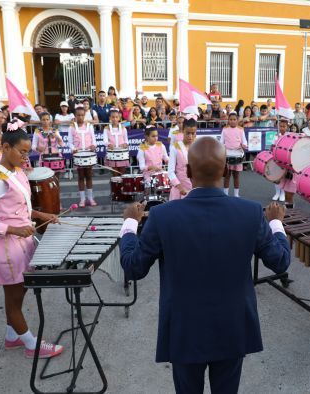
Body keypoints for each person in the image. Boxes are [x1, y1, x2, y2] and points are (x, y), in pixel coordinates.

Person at [119, 136, 291, 394]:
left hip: (184, 328)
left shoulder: (162, 215)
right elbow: (281, 262)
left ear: (187, 172)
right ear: (224, 171)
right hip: (232, 326)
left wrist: (130, 224)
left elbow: (133, 267)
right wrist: (276, 223)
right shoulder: (251, 212)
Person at [0, 126, 62, 358]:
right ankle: (32, 345)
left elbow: (20, 209)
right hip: (8, 247)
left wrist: (42, 216)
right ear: (6, 147)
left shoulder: (17, 171)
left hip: (22, 241)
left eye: (28, 152)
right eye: (21, 152)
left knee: (19, 295)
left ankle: (12, 338)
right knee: (13, 301)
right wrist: (12, 229)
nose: (25, 157)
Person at [69, 105, 97, 207]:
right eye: (78, 115)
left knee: (89, 176)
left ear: (84, 115)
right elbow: (70, 142)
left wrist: (94, 145)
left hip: (88, 154)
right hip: (79, 155)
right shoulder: (72, 127)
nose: (80, 117)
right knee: (81, 177)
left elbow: (93, 139)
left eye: (82, 115)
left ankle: (90, 198)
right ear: (75, 116)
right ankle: (82, 199)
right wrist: (73, 149)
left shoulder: (89, 126)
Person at [168, 117, 197, 200]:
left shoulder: (198, 146)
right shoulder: (175, 147)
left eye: (193, 133)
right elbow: (170, 172)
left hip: (195, 190)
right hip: (179, 190)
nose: (190, 136)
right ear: (182, 131)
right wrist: (180, 187)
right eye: (187, 133)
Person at [221, 112, 248, 197]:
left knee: (236, 175)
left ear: (237, 120)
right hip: (227, 154)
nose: (232, 121)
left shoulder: (240, 129)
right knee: (227, 175)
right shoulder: (224, 129)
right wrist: (222, 148)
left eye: (234, 119)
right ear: (228, 120)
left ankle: (236, 194)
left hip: (237, 154)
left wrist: (244, 145)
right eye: (231, 119)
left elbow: (244, 141)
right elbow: (221, 141)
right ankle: (225, 194)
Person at [32, 112, 64, 178]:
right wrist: (38, 149)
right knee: (46, 178)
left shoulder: (54, 130)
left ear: (50, 120)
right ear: (40, 121)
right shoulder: (37, 131)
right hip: (44, 157)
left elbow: (62, 144)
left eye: (47, 119)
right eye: (43, 120)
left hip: (56, 156)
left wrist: (57, 136)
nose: (46, 121)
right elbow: (33, 146)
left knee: (56, 178)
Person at [137, 126, 169, 190]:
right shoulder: (142, 148)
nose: (156, 138)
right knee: (150, 188)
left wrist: (170, 162)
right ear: (147, 136)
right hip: (148, 176)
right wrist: (151, 167)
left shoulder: (161, 145)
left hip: (160, 174)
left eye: (157, 136)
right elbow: (142, 167)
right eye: (153, 136)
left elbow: (166, 158)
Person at [105, 108, 130, 175]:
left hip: (121, 153)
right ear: (110, 118)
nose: (115, 119)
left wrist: (125, 144)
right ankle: (115, 184)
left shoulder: (123, 128)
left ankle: (123, 185)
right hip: (112, 153)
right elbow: (105, 140)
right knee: (115, 173)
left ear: (119, 118)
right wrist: (109, 144)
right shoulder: (106, 128)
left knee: (122, 172)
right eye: (113, 117)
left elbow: (126, 141)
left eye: (116, 117)